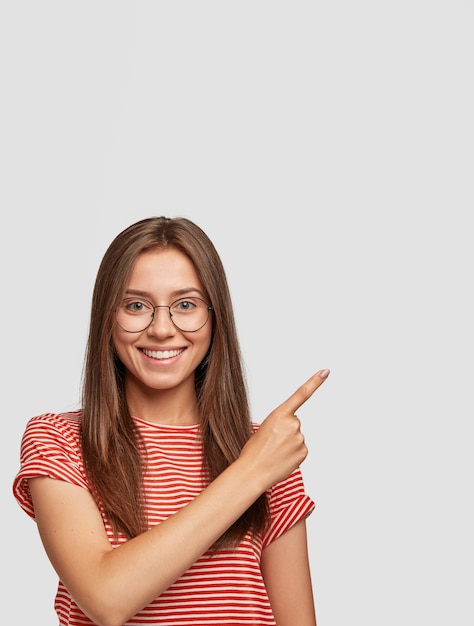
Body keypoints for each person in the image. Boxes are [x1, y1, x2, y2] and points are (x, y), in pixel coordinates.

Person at [12, 216, 329, 626]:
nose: (162, 329)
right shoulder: (60, 439)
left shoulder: (268, 449)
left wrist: (261, 462)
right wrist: (251, 471)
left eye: (185, 305)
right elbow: (106, 599)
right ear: (107, 318)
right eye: (136, 305)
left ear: (215, 318)